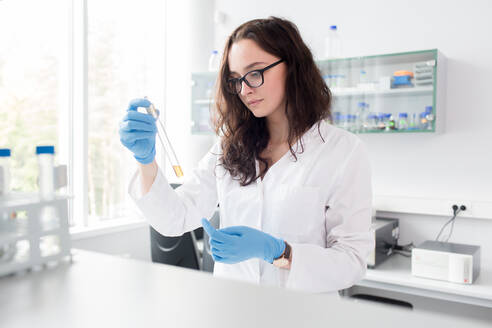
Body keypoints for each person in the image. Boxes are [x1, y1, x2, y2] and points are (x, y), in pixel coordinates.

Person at [119, 16, 373, 294]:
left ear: (293, 67)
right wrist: (146, 162)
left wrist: (280, 252)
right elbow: (176, 218)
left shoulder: (343, 151)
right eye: (236, 79)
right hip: (233, 309)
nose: (245, 89)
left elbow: (352, 260)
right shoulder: (230, 144)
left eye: (255, 73)